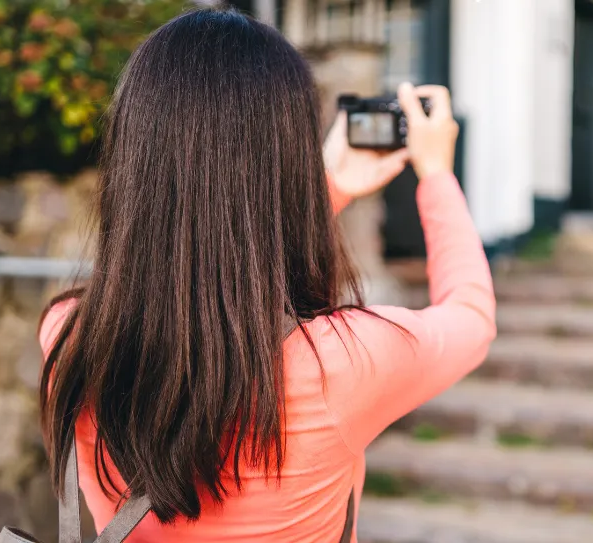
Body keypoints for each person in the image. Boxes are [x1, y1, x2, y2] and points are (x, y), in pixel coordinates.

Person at [37, 8, 495, 543]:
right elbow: (471, 316)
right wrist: (435, 173)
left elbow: (197, 252)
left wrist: (331, 182)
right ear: (289, 161)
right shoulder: (343, 364)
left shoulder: (67, 336)